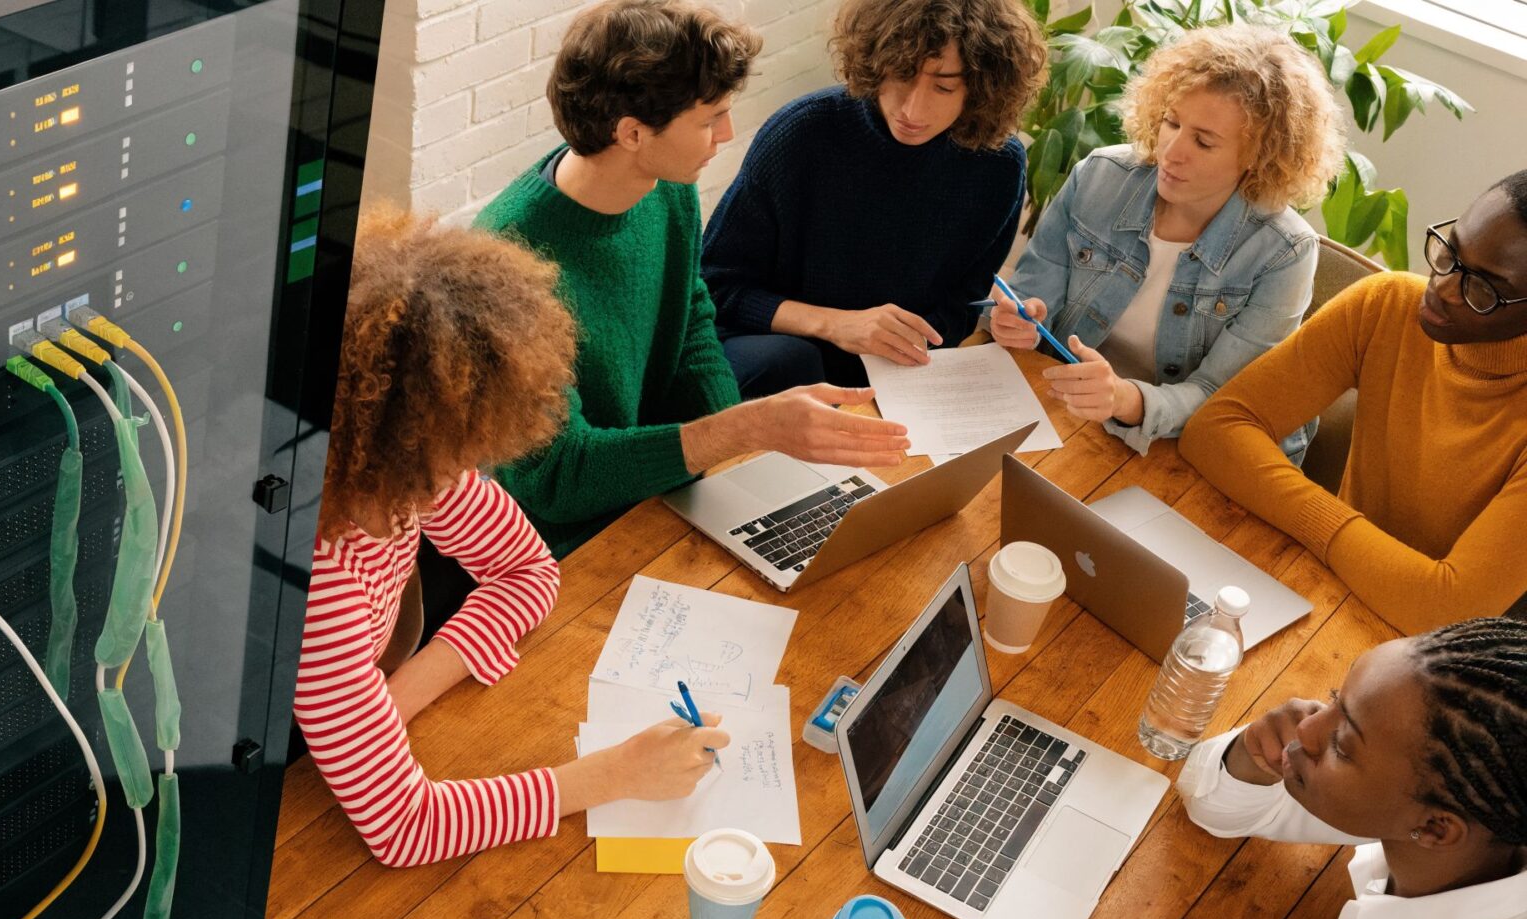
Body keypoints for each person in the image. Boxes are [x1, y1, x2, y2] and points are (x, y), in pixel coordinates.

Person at [295, 209, 729, 868]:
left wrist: (401, 695)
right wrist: (613, 776)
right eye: (455, 451)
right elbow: (404, 829)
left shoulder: (416, 469)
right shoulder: (319, 584)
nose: (467, 472)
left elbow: (529, 570)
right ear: (386, 439)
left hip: (358, 717)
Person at [473, 0, 908, 560]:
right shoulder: (510, 261)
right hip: (566, 541)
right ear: (632, 133)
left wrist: (727, 461)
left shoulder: (664, 185)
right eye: (708, 120)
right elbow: (557, 479)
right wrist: (741, 432)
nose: (725, 135)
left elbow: (692, 318)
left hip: (668, 479)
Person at [1179, 171, 1527, 634]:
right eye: (1451, 249)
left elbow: (1442, 609)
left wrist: (1314, 520)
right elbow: (1216, 430)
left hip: (1438, 666)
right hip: (1326, 591)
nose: (1442, 286)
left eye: (1483, 288)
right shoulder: (1388, 305)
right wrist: (1329, 525)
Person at [993, 24, 1342, 463]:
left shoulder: (1283, 253)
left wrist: (1125, 399)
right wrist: (1019, 321)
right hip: (1077, 422)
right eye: (1171, 122)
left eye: (1203, 141)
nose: (1171, 151)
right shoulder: (1100, 177)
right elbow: (1031, 293)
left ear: (1259, 155)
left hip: (1195, 448)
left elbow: (1223, 399)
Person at [701, 0, 1048, 394]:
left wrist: (929, 338)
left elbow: (960, 304)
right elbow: (715, 286)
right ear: (876, 59)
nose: (912, 108)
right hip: (775, 359)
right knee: (792, 360)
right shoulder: (802, 135)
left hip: (897, 376)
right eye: (901, 73)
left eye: (943, 86)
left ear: (983, 86)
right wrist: (837, 324)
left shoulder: (997, 166)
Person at [1177, 617, 1527, 919]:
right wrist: (1251, 753)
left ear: (1437, 828)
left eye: (1342, 746)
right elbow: (1212, 806)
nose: (1306, 727)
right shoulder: (1423, 806)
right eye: (1334, 699)